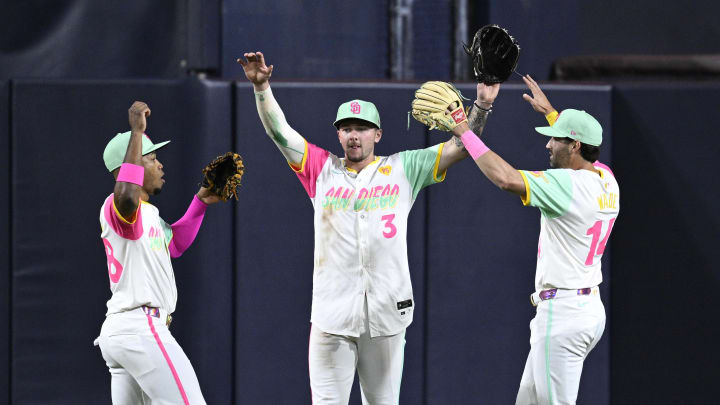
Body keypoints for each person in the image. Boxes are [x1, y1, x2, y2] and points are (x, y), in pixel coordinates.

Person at [237, 52, 490, 405]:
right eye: (346, 128)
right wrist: (262, 87)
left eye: (361, 128)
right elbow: (280, 132)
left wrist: (481, 105)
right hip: (331, 317)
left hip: (386, 315)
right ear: (338, 135)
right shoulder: (320, 169)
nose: (353, 135)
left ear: (378, 134)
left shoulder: (405, 167)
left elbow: (463, 145)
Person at [457, 75, 619, 405]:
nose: (547, 144)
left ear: (573, 146)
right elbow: (584, 151)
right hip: (585, 307)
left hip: (563, 315)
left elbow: (505, 179)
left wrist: (465, 133)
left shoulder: (567, 185)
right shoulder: (606, 178)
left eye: (555, 139)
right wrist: (552, 116)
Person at [96, 101, 225, 405]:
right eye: (152, 158)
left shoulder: (147, 214)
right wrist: (136, 132)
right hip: (140, 328)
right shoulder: (117, 208)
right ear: (131, 166)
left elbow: (175, 243)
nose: (160, 165)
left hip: (124, 331)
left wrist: (201, 201)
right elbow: (125, 194)